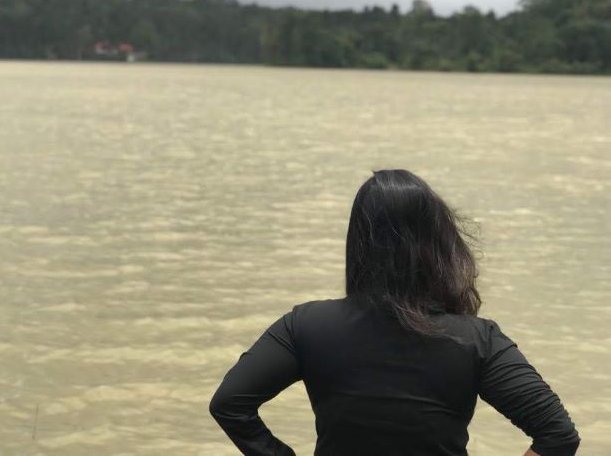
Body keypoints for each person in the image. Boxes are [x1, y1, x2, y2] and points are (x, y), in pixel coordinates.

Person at [209, 169, 580, 455]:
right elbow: (557, 435)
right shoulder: (477, 339)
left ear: (358, 242)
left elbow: (230, 404)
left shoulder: (304, 326)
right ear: (438, 243)